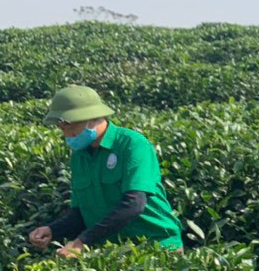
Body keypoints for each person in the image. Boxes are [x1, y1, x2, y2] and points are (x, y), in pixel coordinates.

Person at [28, 85, 183, 256]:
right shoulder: (79, 157)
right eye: (61, 128)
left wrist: (81, 242)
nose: (65, 134)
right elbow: (81, 211)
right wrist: (53, 230)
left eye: (68, 126)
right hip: (113, 252)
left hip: (156, 247)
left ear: (90, 118)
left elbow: (134, 204)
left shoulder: (132, 144)